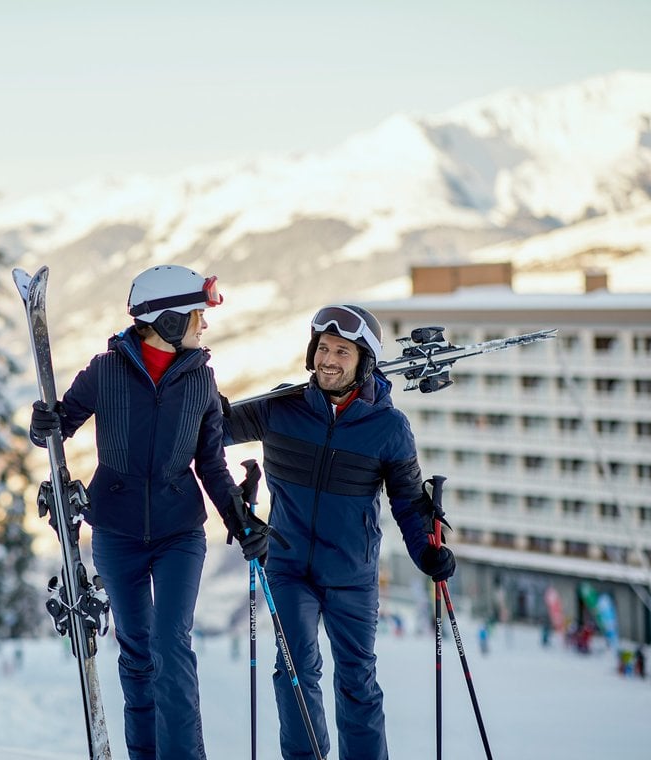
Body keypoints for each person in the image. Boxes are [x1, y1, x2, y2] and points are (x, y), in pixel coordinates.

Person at [29, 265, 269, 760]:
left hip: (179, 531)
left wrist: (239, 520)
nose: (204, 325)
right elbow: (59, 426)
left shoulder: (201, 381)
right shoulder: (105, 371)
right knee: (136, 653)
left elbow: (211, 464)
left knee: (170, 645)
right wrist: (42, 423)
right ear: (170, 319)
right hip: (115, 531)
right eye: (198, 315)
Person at [222, 304, 456, 760]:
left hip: (351, 574)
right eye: (323, 348)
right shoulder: (279, 409)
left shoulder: (388, 428)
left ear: (363, 361)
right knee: (294, 670)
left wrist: (427, 551)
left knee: (357, 682)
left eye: (342, 351)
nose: (328, 359)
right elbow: (210, 429)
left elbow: (408, 501)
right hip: (288, 568)